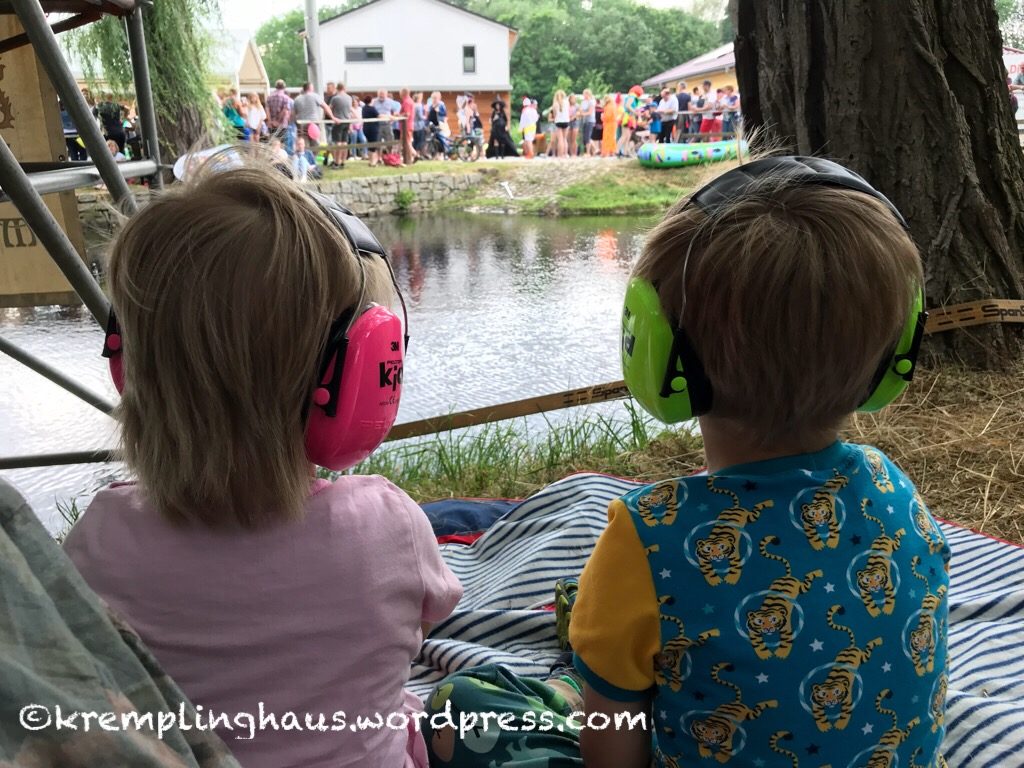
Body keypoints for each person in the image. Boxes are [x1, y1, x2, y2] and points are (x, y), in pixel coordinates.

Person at [420, 157, 950, 768]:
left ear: (655, 351)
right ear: (895, 351)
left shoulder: (647, 539)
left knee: (460, 707)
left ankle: (577, 682)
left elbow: (611, 760)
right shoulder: (898, 491)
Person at [64, 159, 462, 768]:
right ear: (360, 374)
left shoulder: (99, 539)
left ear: (130, 368)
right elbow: (429, 618)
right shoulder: (391, 528)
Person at [293, 81, 337, 147]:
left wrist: (294, 123)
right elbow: (326, 107)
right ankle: (313, 156)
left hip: (301, 124)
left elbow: (294, 113)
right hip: (313, 123)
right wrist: (333, 117)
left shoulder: (297, 99)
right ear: (310, 88)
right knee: (315, 142)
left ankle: (306, 156)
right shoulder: (315, 96)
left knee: (304, 144)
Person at [266, 79, 294, 154]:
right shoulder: (286, 98)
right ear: (284, 87)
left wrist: (270, 121)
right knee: (281, 144)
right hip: (282, 124)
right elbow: (285, 111)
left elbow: (267, 110)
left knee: (273, 144)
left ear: (276, 87)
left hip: (271, 124)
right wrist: (278, 120)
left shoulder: (269, 97)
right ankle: (280, 161)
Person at [362, 94, 382, 166]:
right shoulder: (372, 108)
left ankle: (370, 161)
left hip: (366, 128)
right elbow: (379, 116)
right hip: (373, 128)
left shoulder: (364, 108)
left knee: (370, 144)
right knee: (373, 145)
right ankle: (373, 162)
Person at [551, 89, 570, 157]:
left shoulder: (555, 103)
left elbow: (555, 114)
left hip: (558, 122)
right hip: (566, 121)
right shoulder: (567, 102)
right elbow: (568, 111)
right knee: (565, 139)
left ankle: (560, 154)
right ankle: (565, 154)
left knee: (560, 139)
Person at [579, 88, 597, 155]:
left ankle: (588, 152)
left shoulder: (591, 102)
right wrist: (581, 112)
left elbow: (590, 112)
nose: (584, 95)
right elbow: (581, 109)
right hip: (584, 120)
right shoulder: (583, 102)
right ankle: (595, 149)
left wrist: (582, 113)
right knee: (585, 137)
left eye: (584, 94)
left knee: (588, 136)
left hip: (590, 120)